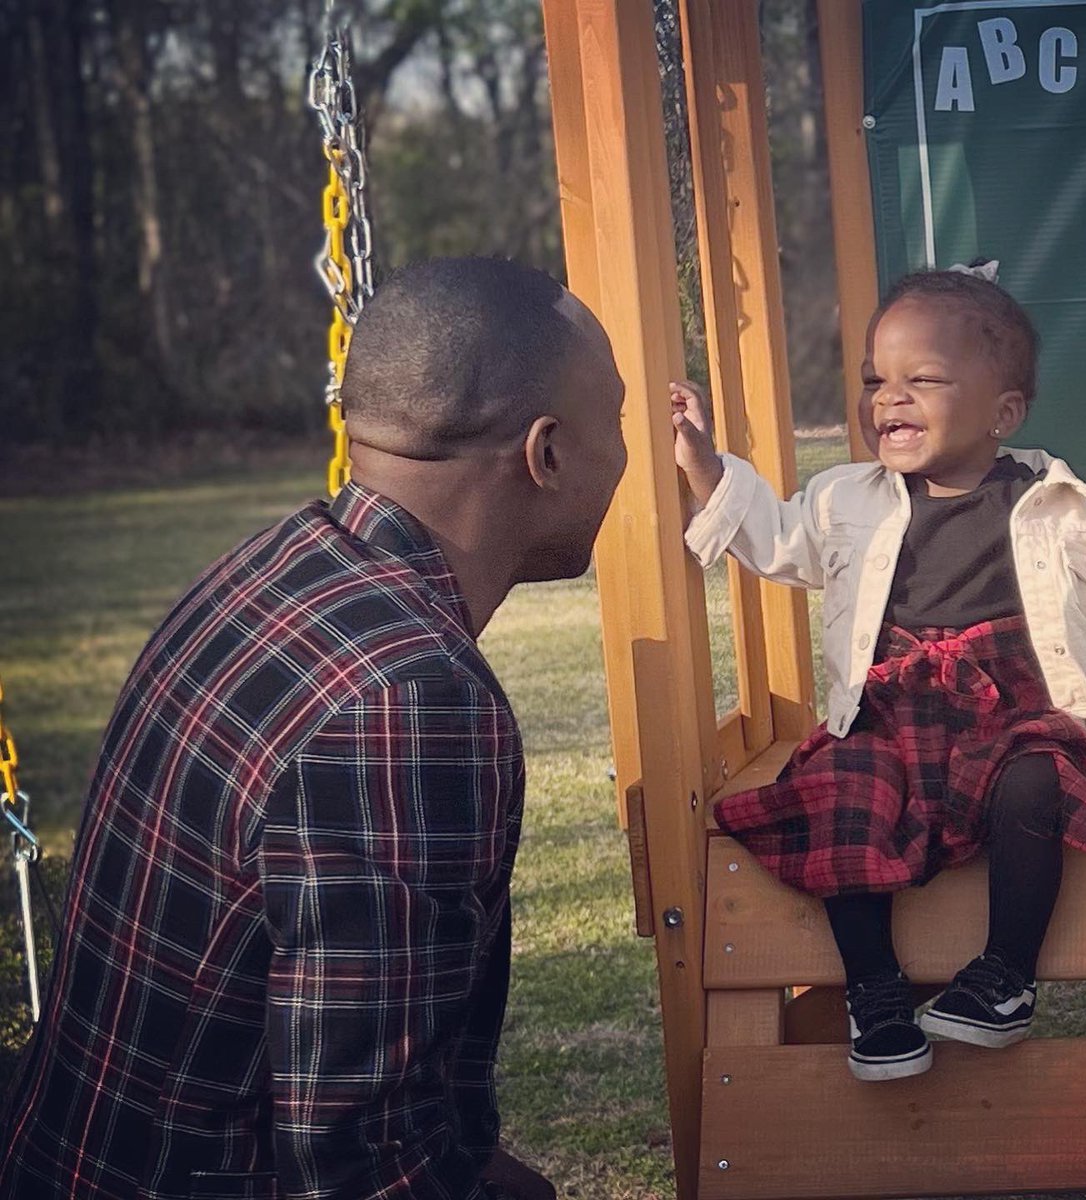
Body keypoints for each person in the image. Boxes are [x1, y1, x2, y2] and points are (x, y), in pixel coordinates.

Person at [0, 257, 627, 1198]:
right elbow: (361, 1163)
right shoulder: (409, 700)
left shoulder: (265, 569)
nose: (628, 453)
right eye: (613, 421)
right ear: (545, 454)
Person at [671, 262, 1086, 1083]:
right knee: (842, 787)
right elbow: (772, 539)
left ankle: (1004, 978)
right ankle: (874, 993)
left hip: (1010, 712)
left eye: (923, 379)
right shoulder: (847, 498)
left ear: (1003, 412)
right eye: (877, 379)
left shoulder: (1054, 504)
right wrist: (704, 464)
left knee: (1035, 782)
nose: (889, 399)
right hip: (891, 716)